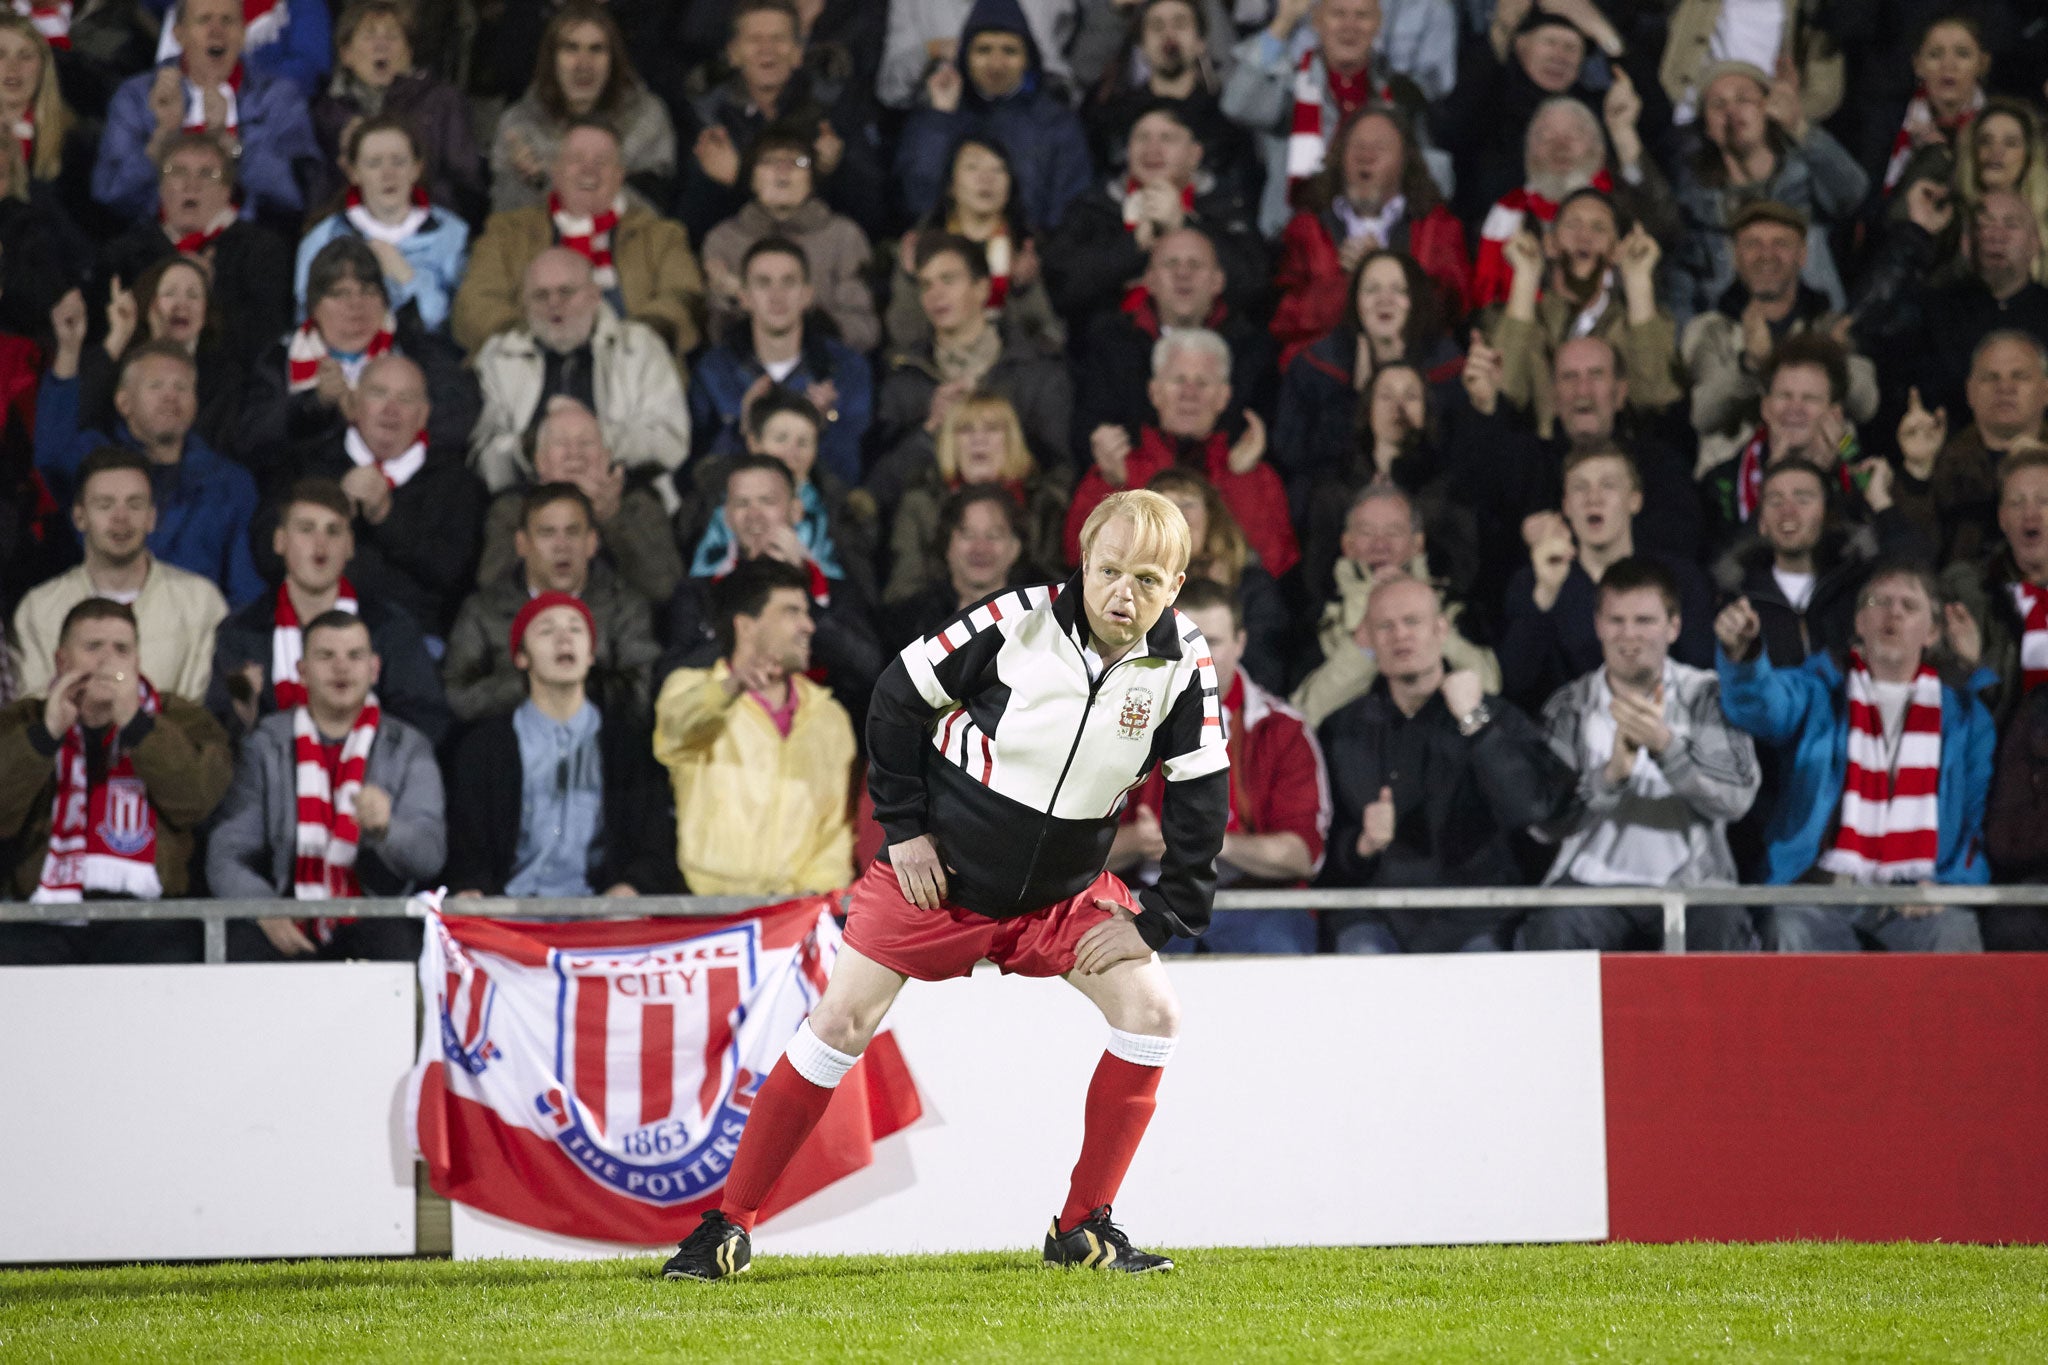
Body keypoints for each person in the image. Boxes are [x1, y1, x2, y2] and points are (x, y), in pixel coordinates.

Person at [663, 490, 1226, 1281]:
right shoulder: (1016, 620)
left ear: (1176, 585)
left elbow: (1203, 794)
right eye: (1108, 570)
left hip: (1062, 895)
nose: (1122, 594)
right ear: (1083, 559)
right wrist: (905, 830)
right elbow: (896, 695)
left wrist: (1165, 914)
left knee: (1155, 1012)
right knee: (840, 1021)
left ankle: (1081, 1227)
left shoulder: (1186, 661)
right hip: (941, 876)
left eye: (1146, 579)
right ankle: (726, 1224)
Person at [1716, 560, 1994, 951]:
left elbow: (1973, 820)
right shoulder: (1820, 690)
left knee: (1955, 933)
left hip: (1915, 894)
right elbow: (1760, 707)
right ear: (1859, 623)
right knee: (1788, 926)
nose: (1893, 612)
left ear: (1931, 632)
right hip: (1822, 889)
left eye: (1909, 606)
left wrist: (1948, 887)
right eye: (1880, 602)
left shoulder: (1966, 717)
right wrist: (1744, 655)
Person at [1318, 573, 1575, 955]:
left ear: (1441, 630)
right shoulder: (1342, 730)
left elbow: (1532, 809)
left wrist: (1474, 723)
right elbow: (1323, 850)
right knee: (1360, 953)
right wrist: (1362, 845)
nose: (1400, 635)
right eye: (1385, 626)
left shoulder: (1492, 715)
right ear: (1367, 639)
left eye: (1412, 622)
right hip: (1378, 917)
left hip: (1476, 917)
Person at [1523, 557, 1760, 951]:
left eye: (1645, 621)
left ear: (1674, 626)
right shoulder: (1569, 705)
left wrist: (1667, 749)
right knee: (1552, 928)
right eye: (1616, 621)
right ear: (1598, 626)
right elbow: (1542, 823)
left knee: (1723, 924)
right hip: (1591, 888)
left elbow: (1736, 800)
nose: (1629, 635)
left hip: (1693, 889)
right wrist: (1611, 775)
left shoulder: (1706, 694)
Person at [0, 599, 232, 963]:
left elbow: (196, 800)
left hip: (150, 918)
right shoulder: (22, 720)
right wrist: (46, 734)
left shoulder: (183, 719)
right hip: (41, 915)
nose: (108, 660)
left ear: (137, 662)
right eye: (93, 647)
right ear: (62, 661)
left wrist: (138, 727)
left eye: (122, 649)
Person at [206, 610, 445, 962]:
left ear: (375, 669)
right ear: (301, 672)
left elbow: (430, 856)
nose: (341, 667)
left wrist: (387, 830)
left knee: (397, 944)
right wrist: (265, 909)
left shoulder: (409, 748)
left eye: (355, 656)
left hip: (373, 921)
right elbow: (226, 853)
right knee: (242, 945)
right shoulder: (266, 744)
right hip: (286, 914)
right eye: (326, 656)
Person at [1110, 577, 1328, 955]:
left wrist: (1213, 843)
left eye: (1212, 641)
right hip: (1141, 900)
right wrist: (1137, 841)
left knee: (1279, 950)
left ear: (1241, 643)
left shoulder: (1282, 730)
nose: (1198, 656)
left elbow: (1302, 855)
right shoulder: (1113, 725)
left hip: (1256, 905)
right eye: (1184, 641)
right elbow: (1065, 851)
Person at [446, 592, 676, 898]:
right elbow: (467, 850)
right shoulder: (484, 748)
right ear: (521, 657)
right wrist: (472, 890)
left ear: (591, 654)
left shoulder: (626, 746)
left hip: (601, 918)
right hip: (511, 917)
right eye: (546, 630)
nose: (564, 639)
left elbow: (654, 844)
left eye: (576, 629)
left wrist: (629, 889)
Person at [652, 556, 856, 898]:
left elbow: (835, 834)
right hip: (711, 917)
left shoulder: (830, 717)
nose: (809, 625)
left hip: (799, 921)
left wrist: (809, 902)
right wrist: (729, 688)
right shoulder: (690, 688)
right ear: (746, 626)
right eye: (792, 611)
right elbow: (678, 730)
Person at [208, 479, 450, 747]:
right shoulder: (241, 632)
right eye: (306, 529)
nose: (320, 545)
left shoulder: (389, 627)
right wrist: (242, 718)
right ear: (279, 541)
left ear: (349, 546)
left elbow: (426, 722)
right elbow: (215, 737)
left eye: (333, 531)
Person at [266, 353, 486, 636]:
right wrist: (332, 514)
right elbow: (267, 550)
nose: (390, 409)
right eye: (378, 394)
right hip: (306, 628)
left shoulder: (457, 483)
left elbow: (455, 575)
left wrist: (387, 516)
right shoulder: (308, 465)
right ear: (354, 404)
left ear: (423, 415)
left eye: (405, 399)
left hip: (411, 639)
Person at [661, 454, 886, 724]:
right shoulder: (698, 593)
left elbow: (870, 668)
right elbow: (671, 676)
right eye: (742, 503)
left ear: (795, 511)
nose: (754, 515)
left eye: (767, 501)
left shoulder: (835, 591)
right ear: (727, 516)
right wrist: (753, 629)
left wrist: (802, 592)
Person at [458, 120, 706, 364]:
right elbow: (474, 303)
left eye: (601, 162)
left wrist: (627, 342)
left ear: (620, 176)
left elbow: (685, 299)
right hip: (527, 370)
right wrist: (530, 341)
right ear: (555, 170)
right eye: (576, 159)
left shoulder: (661, 236)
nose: (589, 170)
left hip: (634, 373)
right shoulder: (508, 232)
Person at [35, 340, 260, 605]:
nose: (170, 396)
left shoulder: (231, 483)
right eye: (156, 386)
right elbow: (51, 454)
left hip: (194, 633)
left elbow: (245, 588)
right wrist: (68, 353)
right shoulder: (95, 464)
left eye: (181, 387)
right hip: (99, 625)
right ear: (124, 403)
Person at [239, 236, 477, 486]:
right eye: (340, 293)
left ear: (385, 300)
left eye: (368, 291)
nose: (356, 305)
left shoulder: (418, 351)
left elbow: (458, 420)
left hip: (411, 490)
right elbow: (252, 441)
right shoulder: (279, 360)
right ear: (314, 306)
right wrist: (315, 404)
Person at [1498, 446, 1715, 715]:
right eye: (1580, 488)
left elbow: (1703, 674)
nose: (1593, 498)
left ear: (1634, 501)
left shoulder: (1679, 578)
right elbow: (1514, 684)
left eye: (1608, 485)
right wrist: (1545, 595)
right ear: (1565, 506)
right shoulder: (1533, 582)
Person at [868, 232, 1073, 513]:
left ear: (981, 289)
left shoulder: (1036, 371)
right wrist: (929, 431)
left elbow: (1061, 471)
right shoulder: (903, 377)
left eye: (948, 280)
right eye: (926, 285)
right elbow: (880, 491)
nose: (935, 294)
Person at [1066, 328, 1295, 578]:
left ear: (1223, 397)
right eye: (1178, 380)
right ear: (1154, 392)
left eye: (1202, 383)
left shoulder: (1251, 474)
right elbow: (1080, 559)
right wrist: (1113, 483)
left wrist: (1242, 479)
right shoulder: (1117, 470)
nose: (1189, 393)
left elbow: (1272, 563)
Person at [468, 248, 690, 498]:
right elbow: (483, 458)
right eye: (540, 295)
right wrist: (531, 447)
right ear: (525, 304)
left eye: (566, 292)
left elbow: (671, 442)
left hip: (625, 492)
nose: (553, 303)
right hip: (527, 499)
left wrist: (590, 444)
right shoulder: (499, 356)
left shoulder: (640, 346)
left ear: (595, 295)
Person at [1681, 199, 1878, 474]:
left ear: (1802, 255)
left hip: (1822, 483)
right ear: (1736, 256)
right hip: (1730, 490)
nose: (1766, 254)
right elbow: (1704, 415)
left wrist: (1837, 357)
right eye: (1753, 244)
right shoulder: (1710, 330)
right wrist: (1749, 365)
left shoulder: (1830, 327)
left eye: (1780, 244)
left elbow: (1866, 405)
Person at [13, 450, 226, 701]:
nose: (121, 518)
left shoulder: (201, 603)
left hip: (170, 740)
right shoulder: (39, 609)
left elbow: (202, 721)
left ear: (151, 517)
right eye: (105, 505)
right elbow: (32, 718)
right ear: (79, 517)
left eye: (134, 504)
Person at [1668, 59, 1869, 324]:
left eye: (1743, 99)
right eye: (1718, 105)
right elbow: (1682, 288)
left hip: (1812, 332)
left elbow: (1853, 192)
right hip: (1729, 344)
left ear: (1767, 108)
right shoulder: (1696, 202)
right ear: (1707, 127)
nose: (1732, 111)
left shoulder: (1804, 174)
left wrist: (1800, 128)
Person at [1219, 0, 1442, 238]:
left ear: (1378, 25)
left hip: (1382, 237)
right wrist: (1282, 24)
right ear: (1317, 23)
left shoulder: (1399, 93)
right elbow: (1237, 105)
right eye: (1338, 14)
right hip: (1293, 240)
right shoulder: (1290, 86)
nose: (1350, 26)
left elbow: (1433, 176)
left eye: (1362, 16)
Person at [443, 483, 660, 725]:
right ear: (522, 544)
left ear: (591, 543)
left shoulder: (625, 605)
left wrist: (569, 684)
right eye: (547, 533)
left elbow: (642, 695)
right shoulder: (483, 609)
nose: (561, 546)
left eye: (573, 532)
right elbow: (456, 696)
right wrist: (531, 684)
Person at [1270, 104, 1471, 366]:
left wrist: (1385, 271)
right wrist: (1353, 282)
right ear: (1339, 158)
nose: (1366, 157)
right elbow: (1285, 319)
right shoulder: (1306, 228)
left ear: (1404, 162)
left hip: (1414, 372)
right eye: (1356, 147)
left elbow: (1452, 307)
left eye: (1379, 148)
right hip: (1326, 374)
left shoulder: (1437, 227)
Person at [91, 0, 319, 227]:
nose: (216, 31)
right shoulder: (138, 96)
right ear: (179, 34)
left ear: (242, 33)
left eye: (227, 21)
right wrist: (163, 137)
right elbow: (110, 196)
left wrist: (231, 145)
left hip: (247, 243)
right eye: (204, 20)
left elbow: (297, 197)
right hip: (157, 242)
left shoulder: (278, 97)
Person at [1040, 103, 1265, 333]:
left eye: (1167, 139)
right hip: (1113, 351)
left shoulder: (1226, 205)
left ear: (1195, 154)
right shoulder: (1093, 207)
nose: (1152, 149)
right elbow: (1061, 290)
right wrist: (1133, 246)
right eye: (1142, 138)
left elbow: (1252, 287)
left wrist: (1183, 225)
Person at [1292, 483, 1498, 731]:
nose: (1381, 545)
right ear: (1348, 544)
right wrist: (1364, 645)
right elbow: (1301, 718)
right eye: (1367, 532)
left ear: (1417, 543)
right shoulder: (1320, 619)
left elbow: (1490, 692)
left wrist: (1428, 620)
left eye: (1394, 531)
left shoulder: (1457, 609)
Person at [679, 0, 886, 244]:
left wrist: (831, 173)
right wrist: (720, 183)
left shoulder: (834, 106)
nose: (767, 50)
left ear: (798, 53)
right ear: (733, 54)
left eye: (779, 39)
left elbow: (874, 219)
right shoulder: (708, 113)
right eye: (754, 40)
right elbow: (691, 229)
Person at [91, 132, 294, 379]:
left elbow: (266, 341)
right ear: (162, 188)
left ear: (227, 191)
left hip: (232, 393)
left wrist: (209, 293)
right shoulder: (125, 254)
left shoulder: (261, 250)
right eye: (178, 172)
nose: (191, 185)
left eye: (207, 174)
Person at [1272, 252, 1460, 512]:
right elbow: (1292, 453)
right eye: (1372, 290)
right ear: (1356, 302)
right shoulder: (1315, 366)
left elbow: (1454, 458)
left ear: (1416, 300)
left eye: (1399, 289)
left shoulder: (1448, 366)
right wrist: (1355, 401)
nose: (1385, 300)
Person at [1491, 189, 1682, 439]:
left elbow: (1656, 396)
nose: (1585, 237)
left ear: (1616, 251)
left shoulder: (1637, 321)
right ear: (1549, 243)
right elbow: (1500, 395)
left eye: (1599, 228)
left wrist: (1638, 283)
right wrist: (1525, 278)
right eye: (1573, 225)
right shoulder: (1518, 318)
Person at [894, 0, 1093, 233]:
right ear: (965, 56)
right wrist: (940, 119)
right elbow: (917, 201)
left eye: (1009, 51)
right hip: (949, 253)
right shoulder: (937, 117)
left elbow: (1071, 212)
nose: (996, 64)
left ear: (1028, 58)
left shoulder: (1056, 124)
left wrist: (1035, 256)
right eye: (984, 50)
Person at [689, 235, 874, 486]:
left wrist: (822, 427)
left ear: (807, 295)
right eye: (763, 283)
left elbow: (852, 479)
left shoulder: (848, 370)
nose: (777, 296)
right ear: (744, 297)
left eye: (788, 282)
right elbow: (699, 480)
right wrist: (743, 429)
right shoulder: (714, 371)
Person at [1469, 89, 1670, 314]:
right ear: (1528, 152)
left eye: (1574, 135)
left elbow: (1667, 227)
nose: (1560, 146)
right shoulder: (1502, 221)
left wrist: (1622, 133)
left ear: (1599, 149)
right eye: (1545, 136)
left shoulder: (1625, 205)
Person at [1072, 225, 1274, 447]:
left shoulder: (1252, 349)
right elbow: (1090, 430)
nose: (1183, 274)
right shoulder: (1111, 344)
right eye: (1171, 264)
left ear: (1218, 281)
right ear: (1149, 280)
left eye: (1195, 264)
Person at [475, 398, 683, 608]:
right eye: (561, 443)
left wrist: (612, 520)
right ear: (540, 461)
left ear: (606, 456)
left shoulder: (638, 503)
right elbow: (491, 585)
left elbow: (665, 589)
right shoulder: (512, 508)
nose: (574, 453)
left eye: (586, 443)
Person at [698, 130, 881, 354]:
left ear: (812, 179)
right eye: (768, 161)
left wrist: (804, 318)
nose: (783, 169)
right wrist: (734, 300)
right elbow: (717, 337)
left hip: (828, 367)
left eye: (799, 161)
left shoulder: (844, 236)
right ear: (751, 179)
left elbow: (864, 330)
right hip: (747, 369)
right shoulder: (723, 239)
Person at [882, 136, 1065, 358]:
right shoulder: (921, 246)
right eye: (972, 167)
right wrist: (911, 281)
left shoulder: (1027, 249)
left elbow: (1050, 341)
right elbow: (905, 337)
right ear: (951, 184)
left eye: (998, 170)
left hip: (1010, 375)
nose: (986, 179)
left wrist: (1023, 292)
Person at [488, 0, 676, 214]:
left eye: (596, 49)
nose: (583, 64)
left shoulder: (646, 118)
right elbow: (502, 225)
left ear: (613, 60)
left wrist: (552, 183)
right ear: (552, 59)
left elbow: (650, 220)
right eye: (571, 48)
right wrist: (523, 185)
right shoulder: (520, 124)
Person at [309, 0, 485, 220]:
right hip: (347, 231)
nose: (381, 45)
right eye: (369, 36)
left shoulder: (442, 102)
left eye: (392, 37)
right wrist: (345, 153)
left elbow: (466, 186)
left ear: (409, 51)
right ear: (346, 54)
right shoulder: (326, 114)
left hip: (428, 227)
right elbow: (315, 197)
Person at [294, 115, 472, 333]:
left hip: (426, 359)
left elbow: (452, 323)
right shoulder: (323, 237)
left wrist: (406, 276)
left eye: (398, 162)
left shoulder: (452, 233)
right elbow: (308, 319)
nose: (388, 174)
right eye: (374, 163)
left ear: (417, 168)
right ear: (354, 173)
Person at [886, 391, 1067, 606]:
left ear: (1011, 439)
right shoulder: (921, 501)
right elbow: (904, 589)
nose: (978, 440)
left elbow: (1055, 584)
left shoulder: (1044, 503)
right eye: (965, 430)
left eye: (992, 429)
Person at [1698, 331, 1874, 545]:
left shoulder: (1864, 479)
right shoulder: (1720, 483)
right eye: (1784, 396)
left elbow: (1874, 558)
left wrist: (1823, 483)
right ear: (1765, 408)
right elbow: (1724, 572)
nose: (1795, 409)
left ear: (1834, 414)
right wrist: (1772, 484)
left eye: (1810, 398)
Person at [1890, 331, 2048, 568]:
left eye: (2020, 376)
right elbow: (1909, 561)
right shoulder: (1941, 464)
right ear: (1970, 392)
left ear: (2045, 391)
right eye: (1990, 377)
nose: (2005, 387)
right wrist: (1917, 472)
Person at [1080, 0, 1253, 204]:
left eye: (1180, 25)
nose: (1168, 34)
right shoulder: (1111, 119)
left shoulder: (1226, 120)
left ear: (1200, 43)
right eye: (1157, 27)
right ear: (1142, 47)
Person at [883, 482, 1037, 650]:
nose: (980, 548)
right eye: (968, 535)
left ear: (1016, 547)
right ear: (947, 544)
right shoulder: (907, 624)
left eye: (993, 536)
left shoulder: (1041, 622)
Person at [878, 0, 1079, 112]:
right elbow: (891, 93)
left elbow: (1059, 75)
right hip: (945, 121)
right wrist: (932, 50)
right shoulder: (916, 4)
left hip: (1029, 122)